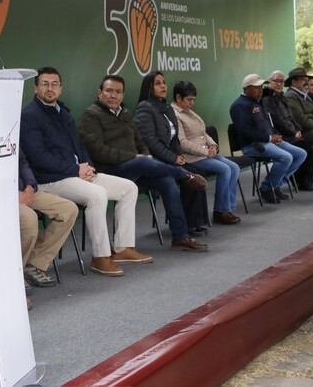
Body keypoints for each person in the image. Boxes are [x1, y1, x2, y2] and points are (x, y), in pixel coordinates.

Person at [20, 67, 154, 277]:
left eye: (54, 84)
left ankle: (123, 248)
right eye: (44, 84)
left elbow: (80, 146)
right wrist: (75, 169)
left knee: (129, 188)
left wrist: (88, 167)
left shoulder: (63, 113)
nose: (50, 88)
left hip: (77, 174)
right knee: (98, 195)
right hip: (51, 179)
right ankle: (100, 256)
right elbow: (39, 157)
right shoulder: (29, 116)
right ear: (36, 88)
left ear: (61, 89)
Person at [77, 74, 210, 251]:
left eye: (118, 92)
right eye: (109, 91)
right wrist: (134, 158)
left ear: (123, 95)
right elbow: (98, 151)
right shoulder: (91, 116)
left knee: (167, 182)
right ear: (99, 92)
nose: (113, 95)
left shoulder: (124, 114)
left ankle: (181, 236)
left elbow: (140, 141)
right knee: (145, 164)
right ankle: (184, 174)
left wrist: (145, 155)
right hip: (110, 171)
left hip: (137, 167)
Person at [133, 71, 214, 232]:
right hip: (155, 160)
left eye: (164, 82)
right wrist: (173, 158)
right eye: (157, 83)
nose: (163, 86)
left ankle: (196, 221)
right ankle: (187, 224)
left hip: (170, 158)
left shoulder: (166, 107)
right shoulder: (144, 108)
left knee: (196, 171)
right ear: (149, 87)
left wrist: (179, 154)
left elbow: (175, 136)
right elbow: (151, 142)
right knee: (188, 176)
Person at [170, 80, 242, 223]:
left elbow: (203, 133)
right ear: (178, 98)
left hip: (206, 154)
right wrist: (205, 151)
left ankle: (228, 208)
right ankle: (220, 211)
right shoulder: (175, 115)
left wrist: (213, 145)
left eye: (193, 100)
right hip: (192, 158)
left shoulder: (189, 112)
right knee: (225, 170)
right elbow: (182, 143)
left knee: (234, 167)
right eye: (189, 100)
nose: (192, 103)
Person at [229, 74, 307, 204]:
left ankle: (275, 185)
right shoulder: (239, 105)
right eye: (256, 87)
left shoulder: (257, 102)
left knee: (300, 154)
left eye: (261, 87)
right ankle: (266, 188)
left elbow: (268, 123)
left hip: (268, 141)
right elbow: (244, 131)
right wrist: (269, 137)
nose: (260, 90)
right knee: (286, 157)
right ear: (246, 88)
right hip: (253, 145)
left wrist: (276, 135)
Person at [18, 151, 77, 288]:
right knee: (29, 218)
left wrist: (30, 186)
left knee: (68, 209)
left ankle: (34, 263)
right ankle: (14, 271)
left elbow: (22, 162)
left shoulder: (7, 132)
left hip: (25, 191)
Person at [261, 70, 313, 191]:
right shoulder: (267, 99)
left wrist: (298, 129)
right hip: (281, 135)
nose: (279, 84)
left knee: (310, 145)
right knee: (306, 147)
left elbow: (291, 117)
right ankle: (298, 181)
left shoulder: (281, 96)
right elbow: (277, 121)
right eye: (276, 81)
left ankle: (304, 181)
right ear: (270, 82)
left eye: (281, 81)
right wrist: (293, 132)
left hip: (291, 134)